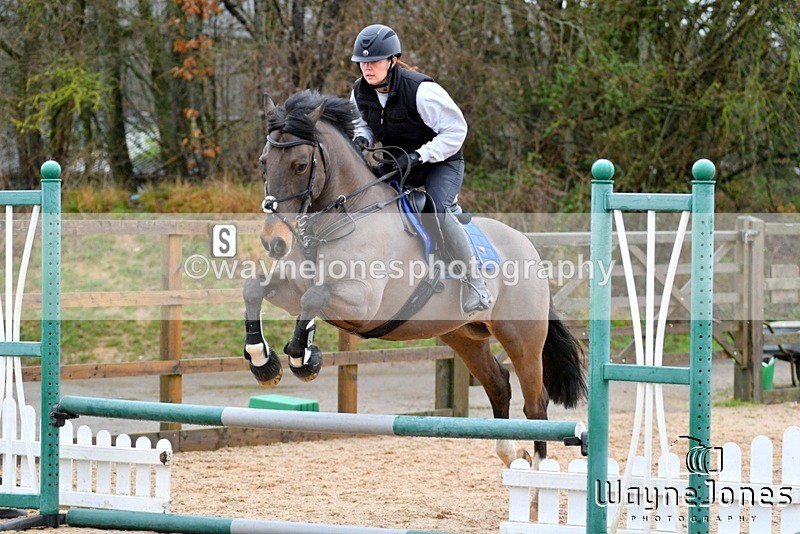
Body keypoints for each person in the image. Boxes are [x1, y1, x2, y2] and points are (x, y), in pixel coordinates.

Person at [349, 23, 493, 314]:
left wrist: (420, 155)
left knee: (437, 208)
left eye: (374, 61)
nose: (367, 68)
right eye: (362, 63)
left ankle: (474, 281)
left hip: (441, 162)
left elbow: (456, 131)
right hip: (398, 162)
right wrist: (362, 138)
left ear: (393, 60)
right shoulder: (359, 92)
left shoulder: (422, 91)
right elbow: (361, 124)